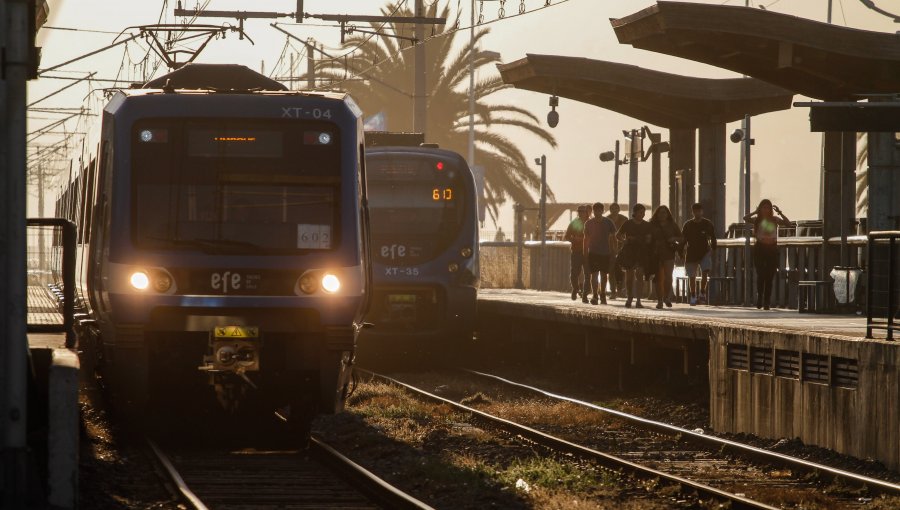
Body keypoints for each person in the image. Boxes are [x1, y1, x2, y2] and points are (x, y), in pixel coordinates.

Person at [743, 199, 791, 310]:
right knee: (761, 275)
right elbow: (745, 218)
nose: (765, 209)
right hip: (760, 248)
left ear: (770, 209)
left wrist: (780, 212)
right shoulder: (757, 220)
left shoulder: (774, 220)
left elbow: (788, 223)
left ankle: (766, 301)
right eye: (763, 207)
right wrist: (755, 212)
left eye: (767, 207)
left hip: (772, 249)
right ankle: (760, 297)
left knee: (769, 276)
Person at [616, 203, 653, 308]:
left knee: (640, 276)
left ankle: (638, 300)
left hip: (641, 251)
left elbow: (649, 239)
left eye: (643, 212)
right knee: (629, 277)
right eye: (640, 212)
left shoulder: (647, 225)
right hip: (629, 251)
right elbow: (618, 235)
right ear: (635, 213)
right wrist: (624, 241)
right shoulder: (628, 223)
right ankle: (629, 297)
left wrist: (641, 239)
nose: (642, 214)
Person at [682, 203, 717, 306]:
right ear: (692, 212)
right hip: (691, 253)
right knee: (691, 276)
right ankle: (693, 296)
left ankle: (702, 293)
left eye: (699, 211)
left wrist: (713, 249)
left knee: (705, 272)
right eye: (695, 211)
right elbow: (683, 239)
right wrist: (680, 252)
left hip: (705, 252)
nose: (697, 213)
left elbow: (713, 237)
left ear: (702, 211)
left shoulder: (707, 224)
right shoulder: (688, 225)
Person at [583, 202, 618, 305]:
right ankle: (595, 295)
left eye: (600, 210)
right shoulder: (588, 223)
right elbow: (586, 239)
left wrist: (614, 251)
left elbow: (613, 237)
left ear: (603, 211)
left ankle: (602, 293)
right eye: (596, 210)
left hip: (606, 252)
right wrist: (585, 253)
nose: (598, 212)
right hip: (593, 252)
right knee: (594, 275)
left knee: (604, 275)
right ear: (593, 211)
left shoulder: (609, 222)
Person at [649, 205, 683, 309]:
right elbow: (647, 237)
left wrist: (673, 238)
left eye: (664, 212)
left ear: (668, 214)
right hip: (655, 254)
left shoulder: (672, 225)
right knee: (658, 277)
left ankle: (666, 297)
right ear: (656, 214)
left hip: (669, 253)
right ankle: (659, 300)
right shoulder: (652, 224)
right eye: (660, 213)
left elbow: (681, 238)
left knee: (668, 276)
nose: (662, 215)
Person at [564, 205, 591, 300]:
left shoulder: (591, 223)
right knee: (575, 272)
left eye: (583, 211)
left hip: (588, 252)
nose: (581, 213)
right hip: (576, 251)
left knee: (588, 274)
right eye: (579, 211)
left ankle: (585, 294)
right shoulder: (574, 223)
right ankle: (575, 288)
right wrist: (574, 239)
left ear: (586, 212)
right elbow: (567, 236)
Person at [606, 203, 628, 298]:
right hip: (609, 248)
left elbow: (627, 232)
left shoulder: (624, 219)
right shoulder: (606, 220)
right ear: (610, 210)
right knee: (611, 270)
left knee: (622, 270)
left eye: (616, 208)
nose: (614, 210)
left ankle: (622, 290)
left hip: (622, 247)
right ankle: (613, 291)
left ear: (619, 209)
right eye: (612, 208)